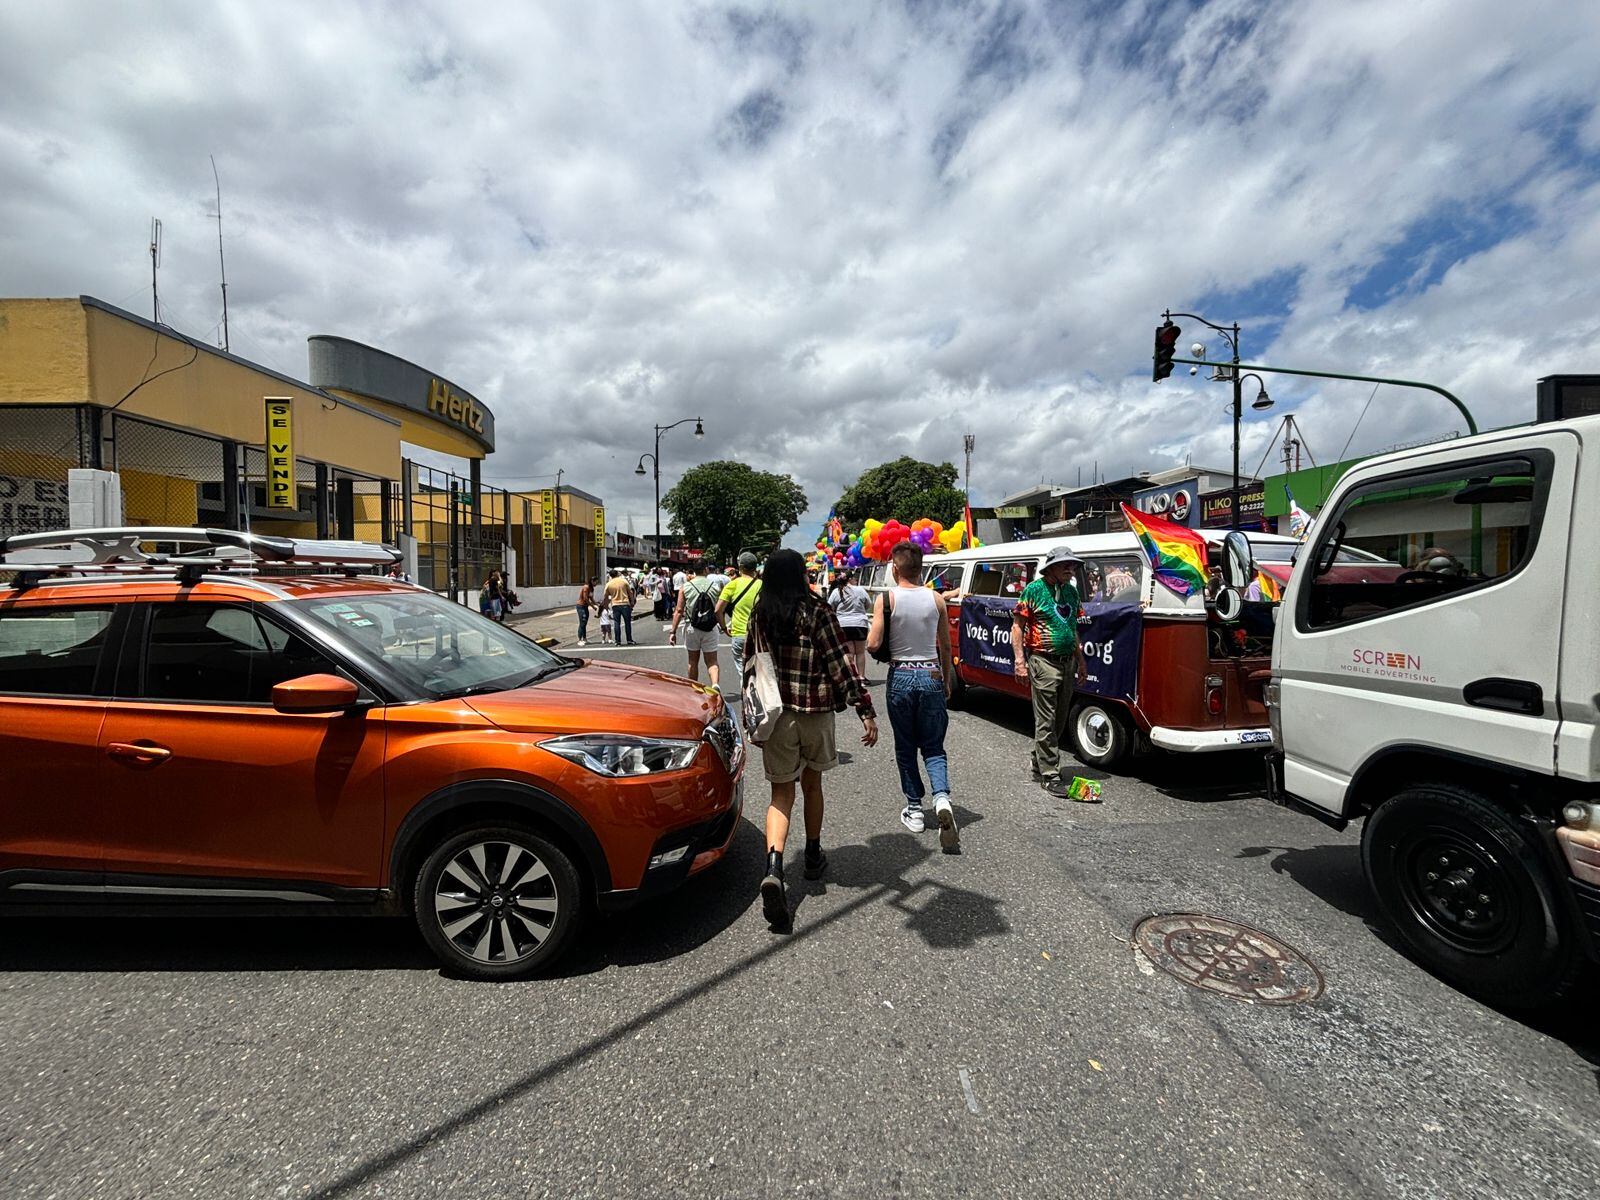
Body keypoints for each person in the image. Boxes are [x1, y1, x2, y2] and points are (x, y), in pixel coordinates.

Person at [750, 548, 878, 930]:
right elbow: (841, 663)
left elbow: (750, 668)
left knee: (780, 794)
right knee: (813, 784)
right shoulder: (818, 610)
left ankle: (774, 867)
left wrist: (750, 718)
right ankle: (811, 855)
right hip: (816, 713)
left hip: (777, 716)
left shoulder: (762, 614)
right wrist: (865, 708)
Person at [867, 541, 958, 849]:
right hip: (931, 672)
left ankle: (915, 810)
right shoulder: (937, 600)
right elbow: (945, 646)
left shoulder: (886, 599)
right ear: (921, 568)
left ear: (895, 568)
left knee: (906, 747)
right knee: (933, 745)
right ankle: (942, 798)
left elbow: (871, 643)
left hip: (902, 675)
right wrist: (945, 680)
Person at [1012, 547, 1090, 799]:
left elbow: (1072, 628)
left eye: (1073, 565)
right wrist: (1020, 662)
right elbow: (1017, 627)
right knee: (1046, 719)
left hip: (1067, 662)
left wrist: (1081, 660)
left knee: (1060, 717)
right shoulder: (1033, 590)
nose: (1071, 569)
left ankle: (1040, 757)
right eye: (1065, 565)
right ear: (1051, 567)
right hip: (1043, 661)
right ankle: (1050, 774)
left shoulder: (1071, 592)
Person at [669, 560, 726, 688]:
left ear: (694, 570)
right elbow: (719, 610)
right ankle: (715, 684)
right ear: (706, 569)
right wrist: (723, 626)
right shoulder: (715, 587)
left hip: (691, 627)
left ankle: (694, 688)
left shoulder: (686, 587)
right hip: (710, 627)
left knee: (693, 661)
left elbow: (678, 611)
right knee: (712, 661)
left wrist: (673, 631)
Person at [716, 551, 763, 686]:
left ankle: (747, 698)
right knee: (760, 671)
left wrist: (724, 627)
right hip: (759, 635)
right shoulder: (762, 585)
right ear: (755, 567)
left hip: (739, 634)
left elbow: (718, 610)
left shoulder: (733, 585)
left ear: (740, 567)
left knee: (743, 670)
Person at [827, 568, 871, 680]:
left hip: (843, 624)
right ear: (850, 579)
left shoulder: (836, 592)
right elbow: (868, 604)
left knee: (849, 652)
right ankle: (861, 676)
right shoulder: (860, 590)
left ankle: (851, 677)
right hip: (860, 623)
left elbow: (830, 606)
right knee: (860, 652)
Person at [604, 568, 636, 645]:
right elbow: (630, 593)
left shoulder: (608, 584)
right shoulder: (624, 581)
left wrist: (606, 607)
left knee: (616, 623)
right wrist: (632, 602)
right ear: (617, 574)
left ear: (610, 576)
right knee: (627, 623)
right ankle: (629, 639)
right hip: (625, 603)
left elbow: (605, 597)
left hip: (615, 604)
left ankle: (618, 641)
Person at [576, 577, 597, 646]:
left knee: (585, 623)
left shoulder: (591, 588)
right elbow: (585, 599)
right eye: (595, 582)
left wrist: (597, 604)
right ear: (592, 581)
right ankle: (579, 639)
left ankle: (584, 638)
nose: (596, 583)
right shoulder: (586, 587)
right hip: (581, 606)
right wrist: (593, 606)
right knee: (582, 622)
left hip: (585, 607)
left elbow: (591, 598)